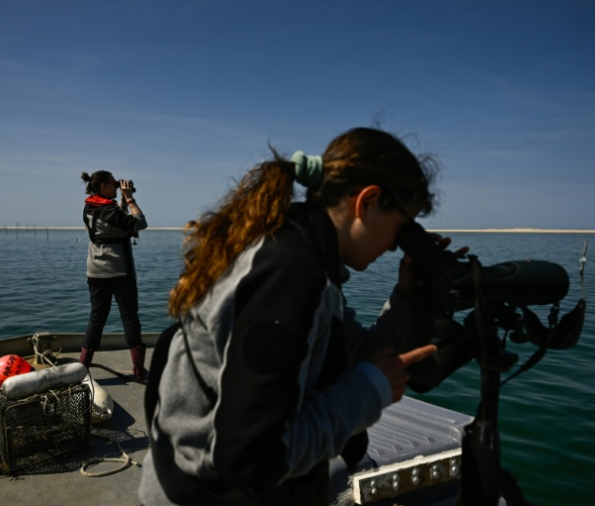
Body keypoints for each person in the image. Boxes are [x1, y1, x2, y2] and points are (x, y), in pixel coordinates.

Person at [139, 127, 457, 505]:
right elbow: (250, 456)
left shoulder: (300, 252)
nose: (393, 246)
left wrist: (408, 294)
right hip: (203, 493)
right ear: (367, 202)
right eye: (402, 228)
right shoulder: (292, 272)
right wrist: (369, 389)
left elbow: (357, 354)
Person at [80, 170, 148, 379]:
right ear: (103, 187)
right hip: (119, 272)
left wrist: (122, 204)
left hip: (96, 271)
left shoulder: (90, 206)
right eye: (113, 184)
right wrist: (130, 198)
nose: (116, 186)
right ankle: (137, 369)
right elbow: (139, 223)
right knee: (129, 317)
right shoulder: (109, 211)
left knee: (97, 318)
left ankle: (82, 368)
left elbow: (115, 222)